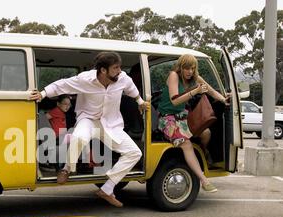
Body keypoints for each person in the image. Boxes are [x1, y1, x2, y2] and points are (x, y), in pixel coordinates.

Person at [30, 52, 149, 208]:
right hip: (88, 120)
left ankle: (107, 189)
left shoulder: (123, 78)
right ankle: (67, 168)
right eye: (116, 67)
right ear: (103, 70)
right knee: (78, 138)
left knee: (135, 153)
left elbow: (131, 88)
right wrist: (43, 93)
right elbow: (62, 85)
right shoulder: (85, 79)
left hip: (111, 125)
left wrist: (140, 101)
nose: (120, 70)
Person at [157, 54, 231, 193]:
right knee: (186, 144)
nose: (190, 71)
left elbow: (211, 90)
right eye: (186, 68)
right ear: (180, 67)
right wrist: (194, 91)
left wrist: (223, 100)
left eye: (192, 68)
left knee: (206, 132)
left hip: (183, 117)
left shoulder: (195, 78)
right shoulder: (173, 75)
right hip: (168, 119)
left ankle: (203, 152)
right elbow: (175, 100)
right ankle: (204, 180)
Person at [46, 95, 72, 171]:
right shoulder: (56, 111)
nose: (67, 106)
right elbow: (45, 117)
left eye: (69, 104)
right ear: (58, 104)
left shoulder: (61, 112)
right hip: (59, 137)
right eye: (65, 104)